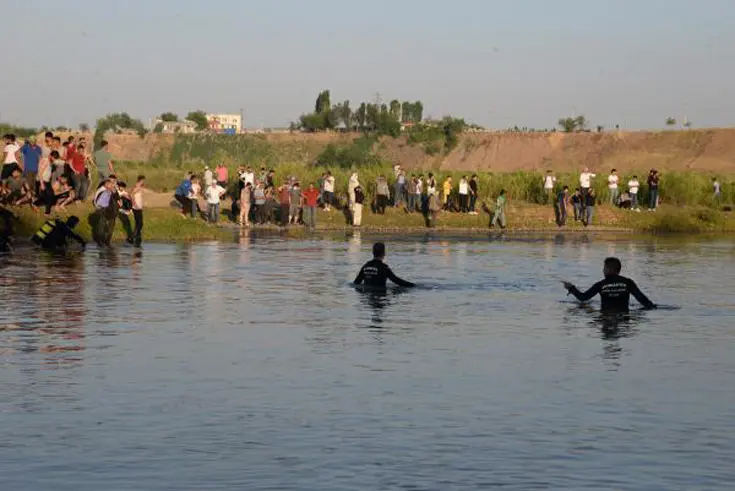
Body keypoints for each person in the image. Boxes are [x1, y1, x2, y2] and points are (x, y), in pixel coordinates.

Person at [562, 257, 656, 312]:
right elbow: (644, 302)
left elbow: (583, 297)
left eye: (604, 268)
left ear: (609, 269)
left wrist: (571, 288)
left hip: (605, 317)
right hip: (623, 318)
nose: (603, 270)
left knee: (585, 307)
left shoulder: (601, 284)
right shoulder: (628, 282)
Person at [131, 175, 145, 246]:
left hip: (139, 207)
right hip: (136, 208)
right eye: (143, 180)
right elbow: (132, 196)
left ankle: (136, 236)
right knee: (139, 223)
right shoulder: (136, 187)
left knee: (140, 223)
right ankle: (134, 236)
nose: (144, 182)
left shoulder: (140, 187)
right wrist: (135, 204)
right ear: (141, 180)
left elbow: (140, 197)